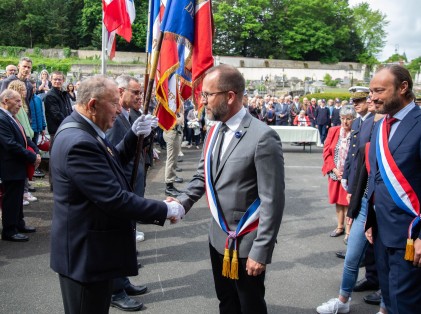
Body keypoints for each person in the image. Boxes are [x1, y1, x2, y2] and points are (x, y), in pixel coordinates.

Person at [49, 75, 185, 314]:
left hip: (94, 253)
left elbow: (113, 161)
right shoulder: (79, 142)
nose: (119, 108)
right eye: (114, 103)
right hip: (85, 257)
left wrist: (132, 135)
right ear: (92, 105)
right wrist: (166, 209)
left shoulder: (85, 130)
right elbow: (114, 199)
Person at [176, 64, 285, 314]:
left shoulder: (263, 136)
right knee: (226, 302)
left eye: (207, 95)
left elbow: (273, 200)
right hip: (218, 238)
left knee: (250, 306)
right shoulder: (214, 130)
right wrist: (181, 203)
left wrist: (262, 249)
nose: (203, 102)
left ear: (230, 96)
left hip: (247, 244)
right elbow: (202, 175)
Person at [316, 100, 386, 314]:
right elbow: (361, 171)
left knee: (387, 263)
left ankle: (385, 308)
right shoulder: (363, 128)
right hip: (365, 202)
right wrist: (354, 207)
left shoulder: (398, 131)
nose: (372, 100)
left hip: (387, 206)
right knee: (352, 256)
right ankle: (342, 301)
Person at [365, 65, 421, 314]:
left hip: (410, 237)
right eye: (371, 91)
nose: (372, 97)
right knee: (388, 299)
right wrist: (370, 220)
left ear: (403, 88)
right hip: (381, 233)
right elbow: (376, 178)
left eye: (379, 91)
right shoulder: (380, 125)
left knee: (405, 305)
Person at [0, 90, 40, 242]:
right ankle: (9, 230)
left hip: (18, 165)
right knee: (11, 198)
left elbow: (24, 138)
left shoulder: (11, 117)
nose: (19, 105)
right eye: (16, 101)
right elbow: (10, 144)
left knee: (17, 197)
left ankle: (18, 223)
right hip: (9, 165)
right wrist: (31, 157)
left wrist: (35, 151)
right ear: (5, 100)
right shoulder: (2, 118)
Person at [322, 105, 356, 244]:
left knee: (348, 203)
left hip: (349, 174)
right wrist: (335, 170)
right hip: (335, 172)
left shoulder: (356, 132)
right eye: (342, 118)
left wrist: (346, 173)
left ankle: (349, 231)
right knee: (337, 201)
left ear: (354, 119)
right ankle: (339, 226)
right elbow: (326, 152)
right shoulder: (334, 130)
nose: (345, 122)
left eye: (348, 119)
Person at [44, 71, 73, 138]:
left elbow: (69, 110)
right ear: (51, 80)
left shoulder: (64, 93)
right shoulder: (50, 96)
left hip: (65, 127)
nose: (57, 81)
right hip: (57, 130)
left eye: (59, 79)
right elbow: (56, 115)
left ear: (63, 80)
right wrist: (69, 123)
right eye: (55, 79)